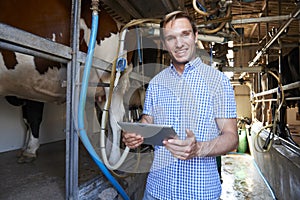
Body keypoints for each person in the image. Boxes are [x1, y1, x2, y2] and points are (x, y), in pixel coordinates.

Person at [122, 11, 238, 200]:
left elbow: (231, 137)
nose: (179, 44)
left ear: (195, 36)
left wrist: (199, 148)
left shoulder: (218, 81)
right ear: (164, 43)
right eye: (171, 38)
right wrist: (137, 132)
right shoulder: (157, 82)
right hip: (157, 190)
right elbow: (148, 118)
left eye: (185, 34)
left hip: (200, 193)